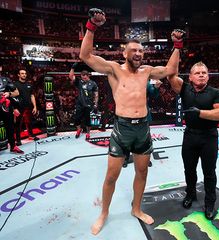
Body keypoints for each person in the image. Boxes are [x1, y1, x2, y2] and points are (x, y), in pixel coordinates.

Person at [79, 8, 182, 235]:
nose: (138, 53)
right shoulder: (114, 69)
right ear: (124, 52)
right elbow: (85, 56)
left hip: (143, 128)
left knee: (142, 173)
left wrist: (177, 45)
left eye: (141, 50)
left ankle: (136, 208)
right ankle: (104, 213)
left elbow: (171, 69)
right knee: (111, 176)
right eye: (134, 50)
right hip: (122, 128)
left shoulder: (146, 71)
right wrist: (91, 27)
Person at [167, 61, 219, 220]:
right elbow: (170, 74)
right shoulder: (184, 89)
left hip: (209, 137)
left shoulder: (216, 93)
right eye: (197, 73)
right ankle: (190, 194)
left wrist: (200, 113)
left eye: (204, 72)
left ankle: (210, 203)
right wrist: (177, 45)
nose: (201, 75)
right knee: (189, 169)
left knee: (209, 173)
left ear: (208, 76)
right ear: (190, 77)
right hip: (190, 136)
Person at [122, 79, 162, 168]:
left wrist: (156, 88)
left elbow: (154, 94)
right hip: (129, 112)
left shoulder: (145, 81)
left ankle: (146, 159)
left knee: (145, 137)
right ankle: (125, 158)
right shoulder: (125, 79)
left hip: (143, 113)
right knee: (128, 137)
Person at [68, 64, 99, 140]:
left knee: (88, 121)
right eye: (82, 76)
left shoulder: (93, 83)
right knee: (77, 119)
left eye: (85, 77)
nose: (84, 78)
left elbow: (96, 95)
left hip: (89, 104)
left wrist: (95, 104)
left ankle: (88, 133)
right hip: (80, 104)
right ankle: (79, 129)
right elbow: (71, 76)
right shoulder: (79, 82)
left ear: (88, 76)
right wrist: (72, 68)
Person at [0, 69, 24, 154]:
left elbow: (16, 93)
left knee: (10, 127)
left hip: (5, 107)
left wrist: (8, 94)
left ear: (1, 68)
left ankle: (13, 146)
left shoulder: (6, 80)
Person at [14, 69, 37, 145]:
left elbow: (32, 95)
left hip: (28, 106)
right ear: (18, 75)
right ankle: (18, 140)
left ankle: (31, 135)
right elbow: (12, 97)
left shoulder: (29, 84)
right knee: (18, 124)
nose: (24, 75)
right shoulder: (15, 84)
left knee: (29, 122)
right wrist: (14, 108)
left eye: (25, 73)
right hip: (19, 107)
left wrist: (35, 106)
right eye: (22, 73)